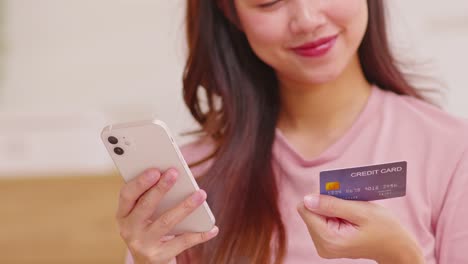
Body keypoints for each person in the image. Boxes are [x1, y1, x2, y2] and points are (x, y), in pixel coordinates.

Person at [117, 0, 468, 263]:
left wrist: (401, 256)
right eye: (270, 0)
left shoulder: (452, 152)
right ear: (230, 12)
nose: (307, 19)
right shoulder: (189, 181)